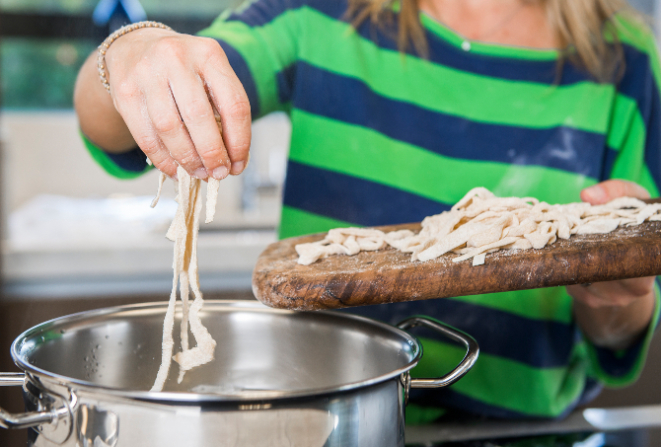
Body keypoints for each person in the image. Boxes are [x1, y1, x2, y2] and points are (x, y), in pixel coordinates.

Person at [74, 0, 660, 424]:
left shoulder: (626, 66)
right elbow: (115, 130)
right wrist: (136, 53)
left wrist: (615, 301)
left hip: (517, 434)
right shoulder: (320, 15)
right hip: (322, 428)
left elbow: (617, 345)